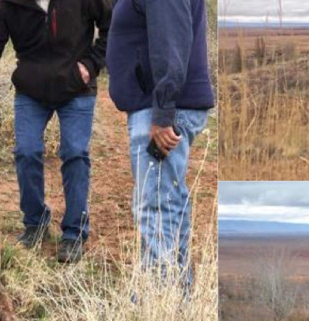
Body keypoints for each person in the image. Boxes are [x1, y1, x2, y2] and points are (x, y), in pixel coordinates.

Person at [0, 0, 110, 263]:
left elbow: (114, 26)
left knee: (75, 153)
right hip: (31, 91)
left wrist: (91, 64)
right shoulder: (8, 5)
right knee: (26, 151)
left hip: (77, 89)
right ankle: (35, 224)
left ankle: (74, 233)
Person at [106, 0, 214, 286]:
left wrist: (163, 112)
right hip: (160, 107)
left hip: (162, 110)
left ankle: (156, 301)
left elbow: (171, 42)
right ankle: (177, 300)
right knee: (168, 205)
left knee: (156, 208)